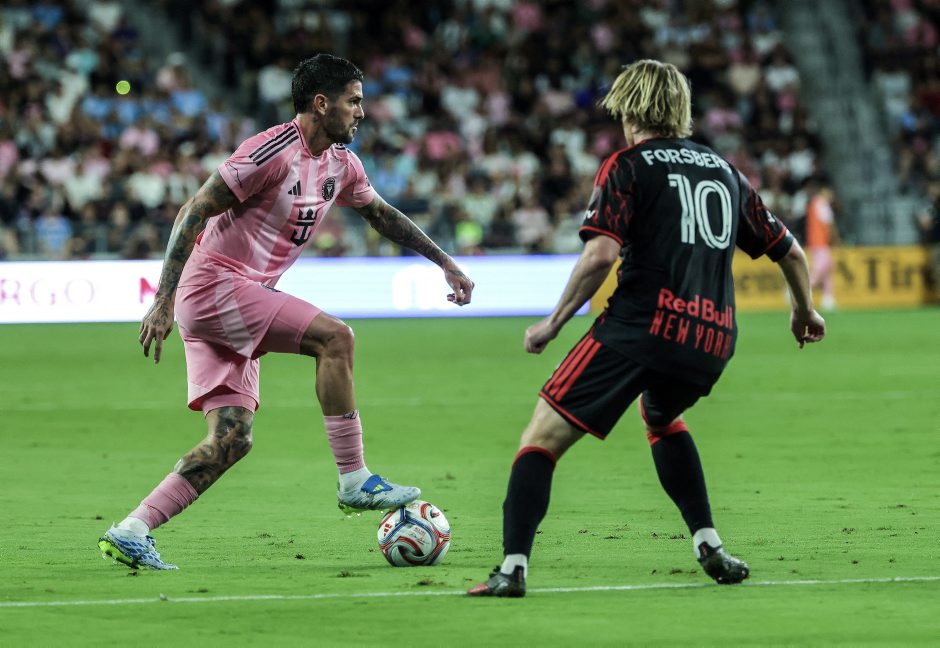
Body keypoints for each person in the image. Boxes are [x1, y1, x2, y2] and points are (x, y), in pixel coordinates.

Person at [98, 54, 474, 570]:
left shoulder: (342, 164)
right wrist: (162, 299)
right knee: (335, 338)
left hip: (232, 300)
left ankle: (131, 529)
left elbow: (381, 215)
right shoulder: (271, 151)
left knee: (231, 440)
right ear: (321, 103)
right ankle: (354, 478)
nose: (362, 112)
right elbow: (194, 210)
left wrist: (444, 261)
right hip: (213, 287)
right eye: (353, 101)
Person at [467, 59, 825, 597]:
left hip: (640, 328)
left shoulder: (627, 166)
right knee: (661, 415)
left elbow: (600, 256)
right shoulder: (724, 171)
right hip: (711, 338)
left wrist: (553, 322)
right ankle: (709, 543)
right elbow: (790, 252)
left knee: (541, 437)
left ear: (630, 108)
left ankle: (512, 568)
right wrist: (804, 310)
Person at [805, 181, 840, 311]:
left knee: (827, 269)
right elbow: (829, 224)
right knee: (820, 270)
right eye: (829, 193)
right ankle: (800, 290)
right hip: (821, 242)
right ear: (823, 192)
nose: (831, 196)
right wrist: (836, 240)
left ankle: (828, 298)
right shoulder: (822, 204)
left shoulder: (813, 204)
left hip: (815, 241)